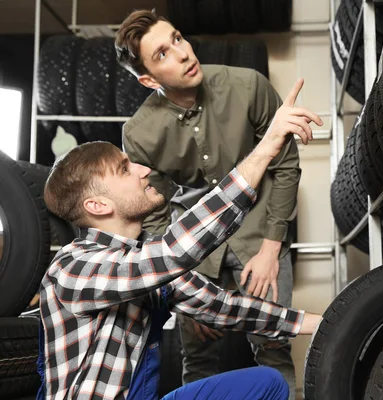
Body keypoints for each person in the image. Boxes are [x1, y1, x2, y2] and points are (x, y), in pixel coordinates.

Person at [37, 80, 324, 400]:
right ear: (99, 206)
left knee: (266, 383)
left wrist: (329, 322)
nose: (143, 170)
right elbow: (175, 251)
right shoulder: (73, 267)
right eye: (124, 169)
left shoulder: (145, 261)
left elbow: (226, 308)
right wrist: (266, 148)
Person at [115, 10, 304, 396]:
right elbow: (153, 212)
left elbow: (286, 167)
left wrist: (272, 249)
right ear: (148, 79)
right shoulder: (139, 133)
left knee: (272, 348)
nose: (183, 53)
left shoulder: (248, 85)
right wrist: (181, 286)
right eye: (163, 53)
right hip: (197, 255)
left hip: (260, 236)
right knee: (199, 359)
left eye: (179, 38)